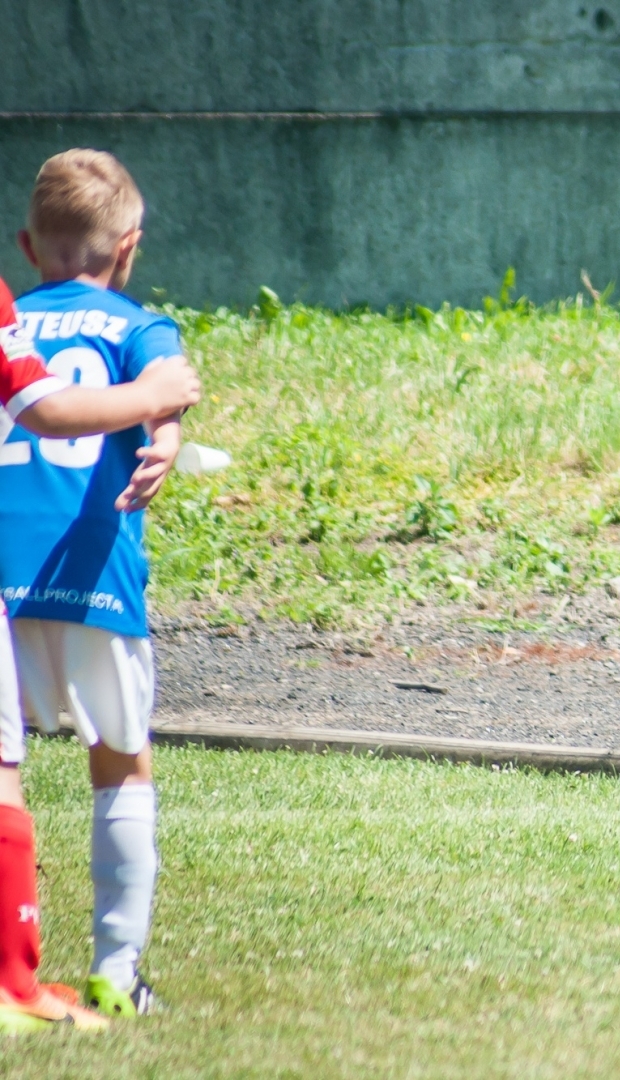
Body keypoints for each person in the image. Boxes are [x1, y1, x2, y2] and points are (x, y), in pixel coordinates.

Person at [1, 148, 200, 1021]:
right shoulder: (136, 324)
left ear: (26, 244)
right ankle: (117, 974)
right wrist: (164, 434)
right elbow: (165, 386)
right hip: (94, 569)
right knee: (119, 763)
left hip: (5, 573)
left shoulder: (11, 321)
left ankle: (12, 966)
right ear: (130, 247)